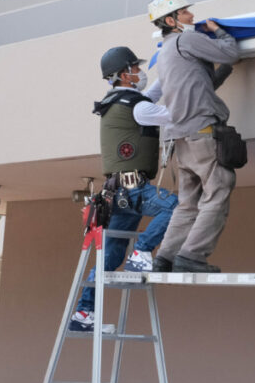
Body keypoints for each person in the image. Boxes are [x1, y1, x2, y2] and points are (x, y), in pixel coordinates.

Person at [69, 46, 178, 332]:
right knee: (177, 207)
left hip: (117, 193)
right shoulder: (136, 106)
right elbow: (169, 114)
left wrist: (171, 67)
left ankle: (83, 313)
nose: (140, 73)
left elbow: (150, 95)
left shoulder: (121, 102)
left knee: (111, 257)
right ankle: (142, 253)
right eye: (135, 69)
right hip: (133, 190)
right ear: (123, 75)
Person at [148, 0, 240, 273]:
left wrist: (223, 69)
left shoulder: (165, 51)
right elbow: (232, 52)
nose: (191, 15)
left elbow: (201, 83)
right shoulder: (187, 39)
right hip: (202, 131)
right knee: (218, 191)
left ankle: (165, 257)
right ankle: (192, 255)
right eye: (185, 11)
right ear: (172, 19)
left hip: (181, 138)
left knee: (188, 203)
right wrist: (219, 32)